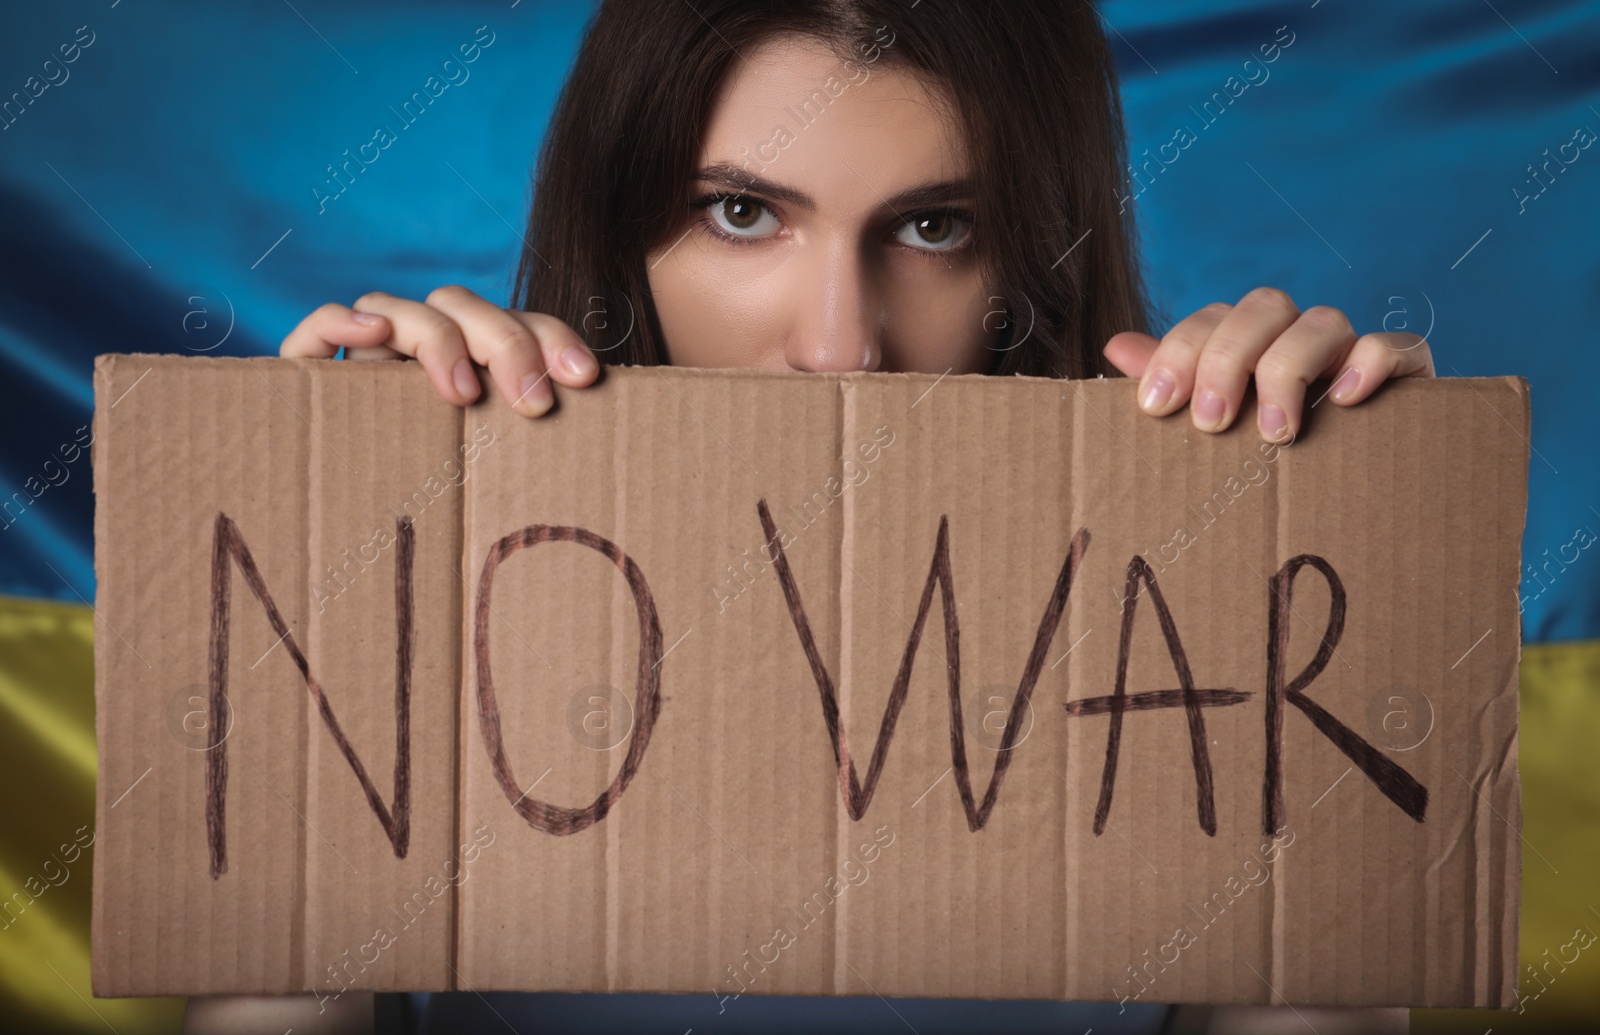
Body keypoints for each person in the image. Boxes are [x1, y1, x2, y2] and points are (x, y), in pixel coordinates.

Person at [186, 2, 1427, 1032]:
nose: (841, 348)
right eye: (743, 213)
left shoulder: (1177, 600)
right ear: (623, 232)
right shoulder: (448, 553)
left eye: (935, 227)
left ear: (1030, 258)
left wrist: (1329, 507)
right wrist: (327, 569)